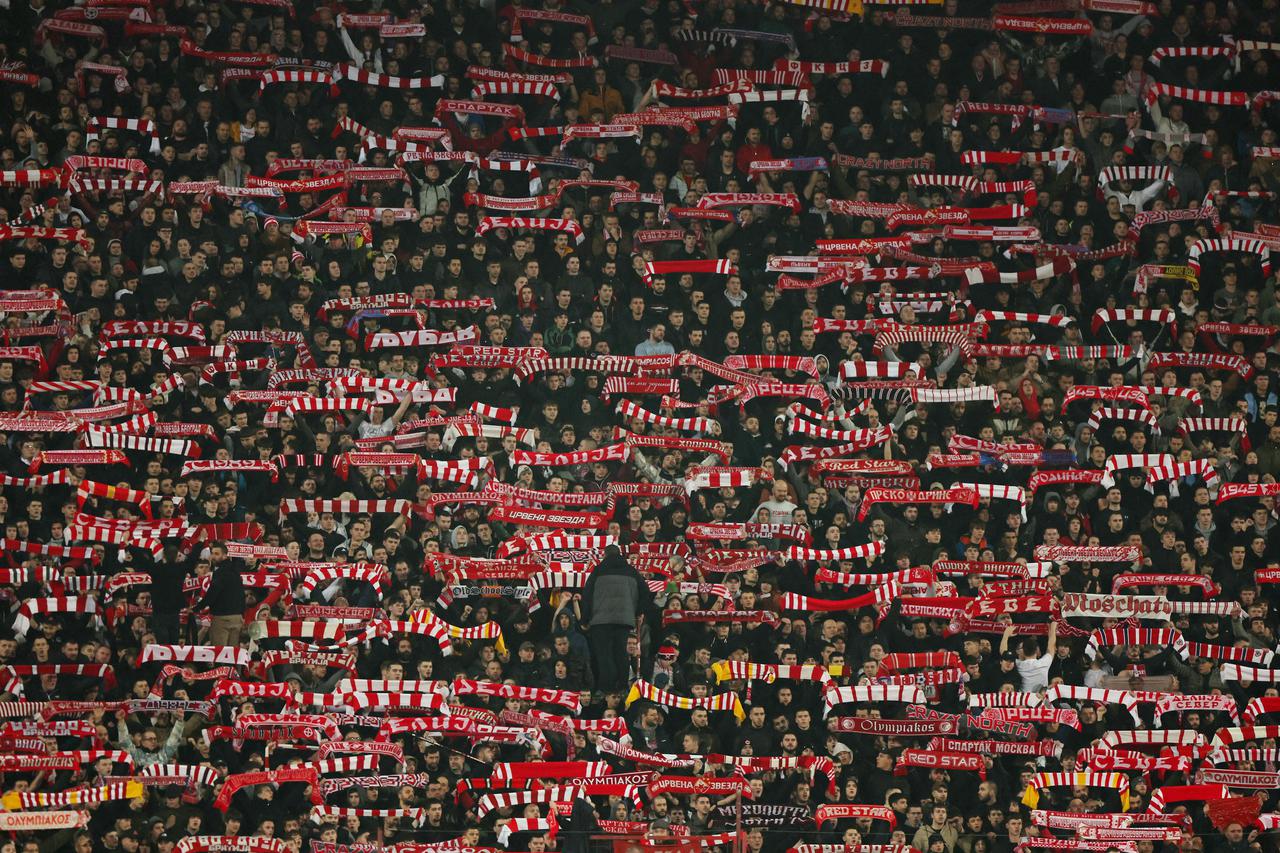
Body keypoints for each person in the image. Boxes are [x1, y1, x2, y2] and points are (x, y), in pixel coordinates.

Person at [580, 544, 648, 692]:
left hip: (600, 621)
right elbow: (645, 591)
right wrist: (637, 612)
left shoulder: (598, 571)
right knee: (621, 654)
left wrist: (584, 620)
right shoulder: (631, 571)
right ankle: (622, 687)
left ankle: (606, 689)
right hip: (624, 620)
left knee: (604, 656)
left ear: (605, 555)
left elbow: (587, 596)